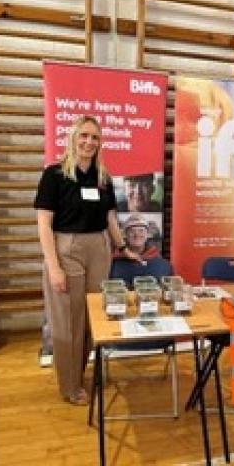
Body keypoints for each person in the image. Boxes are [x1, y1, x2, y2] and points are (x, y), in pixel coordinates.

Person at [34, 115, 142, 405]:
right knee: (69, 321)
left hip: (99, 248)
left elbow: (109, 218)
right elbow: (44, 223)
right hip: (66, 247)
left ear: (100, 143)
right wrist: (54, 266)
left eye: (95, 137)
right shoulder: (54, 175)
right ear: (73, 138)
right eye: (84, 135)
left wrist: (123, 246)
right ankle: (70, 386)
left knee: (92, 317)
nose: (89, 142)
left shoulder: (102, 177)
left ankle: (80, 372)